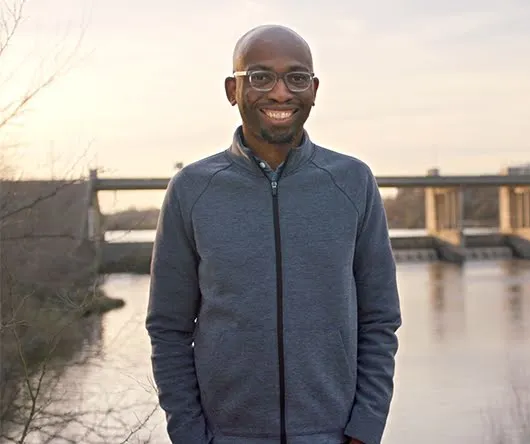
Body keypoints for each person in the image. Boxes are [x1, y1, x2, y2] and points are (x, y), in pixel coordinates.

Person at [145, 24, 402, 444]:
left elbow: (379, 318)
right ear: (233, 89)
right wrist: (190, 434)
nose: (280, 93)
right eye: (260, 77)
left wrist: (365, 428)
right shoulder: (191, 189)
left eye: (296, 78)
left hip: (333, 436)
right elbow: (168, 327)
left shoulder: (354, 182)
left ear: (314, 90)